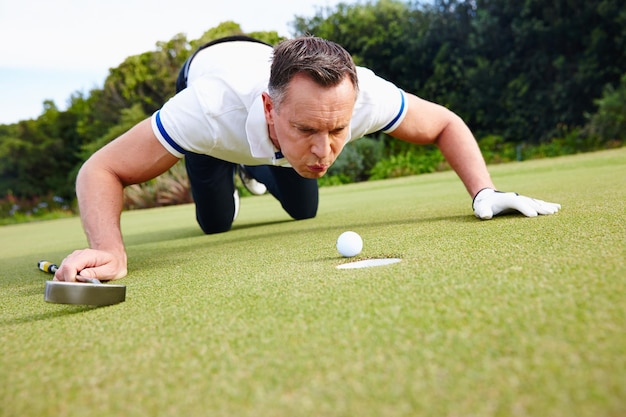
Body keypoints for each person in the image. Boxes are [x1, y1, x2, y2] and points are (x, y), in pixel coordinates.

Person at [54, 35, 560, 282]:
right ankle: (232, 167)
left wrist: (484, 191)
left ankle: (259, 168)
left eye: (337, 130)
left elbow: (445, 122)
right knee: (215, 221)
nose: (324, 152)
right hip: (209, 86)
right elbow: (101, 168)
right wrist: (111, 251)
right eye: (306, 130)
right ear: (271, 110)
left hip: (263, 78)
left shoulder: (364, 96)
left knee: (305, 209)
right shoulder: (205, 111)